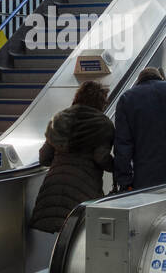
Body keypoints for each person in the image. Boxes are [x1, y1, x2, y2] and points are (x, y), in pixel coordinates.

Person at [29, 80, 114, 232]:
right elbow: (101, 158)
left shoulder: (59, 119)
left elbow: (44, 157)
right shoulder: (103, 124)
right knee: (77, 236)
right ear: (101, 102)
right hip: (84, 188)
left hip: (53, 187)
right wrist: (119, 167)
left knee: (58, 236)